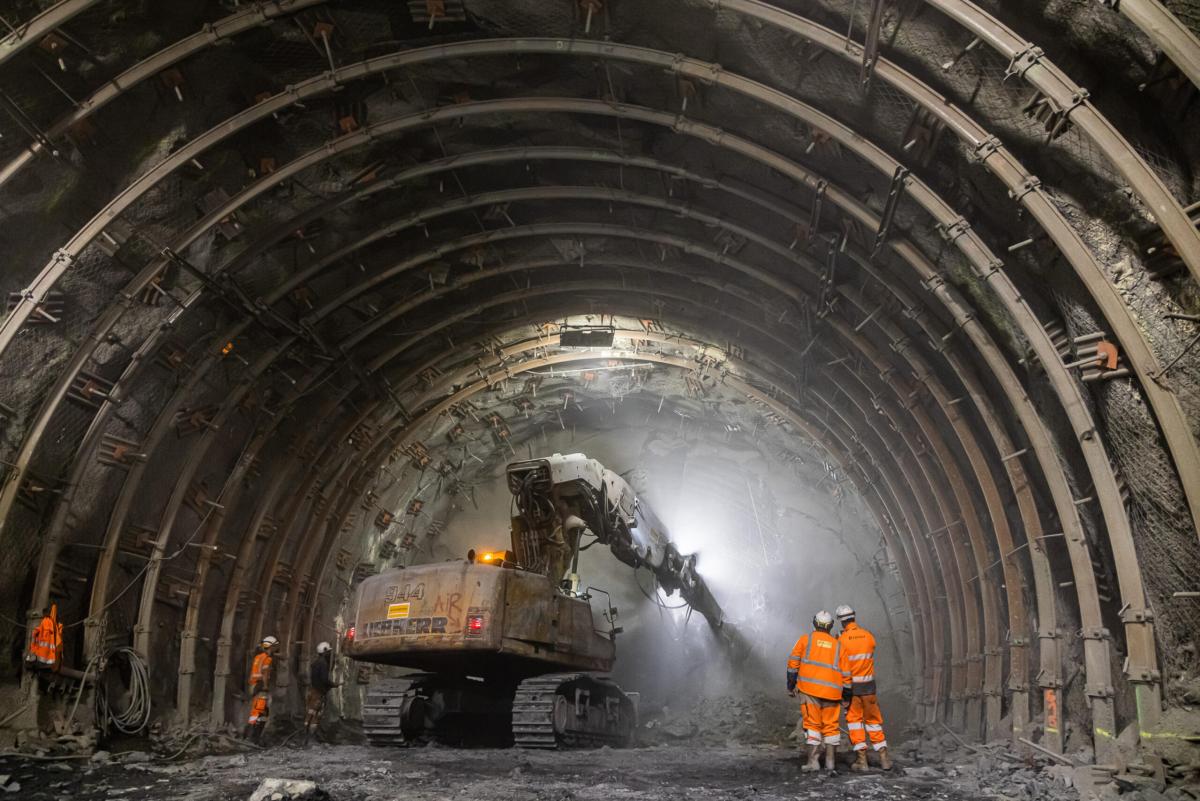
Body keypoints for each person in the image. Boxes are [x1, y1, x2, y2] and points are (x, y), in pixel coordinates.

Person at [787, 609, 849, 776]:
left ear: (814, 624)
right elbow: (847, 674)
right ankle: (830, 763)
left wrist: (790, 685)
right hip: (833, 693)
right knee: (831, 727)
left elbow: (793, 664)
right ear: (830, 626)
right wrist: (846, 696)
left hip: (810, 691)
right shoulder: (838, 646)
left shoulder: (805, 640)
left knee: (813, 726)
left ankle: (813, 762)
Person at [836, 604, 892, 771]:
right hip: (869, 688)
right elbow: (870, 650)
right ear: (854, 616)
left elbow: (840, 665)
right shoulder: (868, 636)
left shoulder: (841, 640)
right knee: (874, 721)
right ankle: (884, 758)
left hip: (852, 689)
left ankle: (862, 761)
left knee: (855, 723)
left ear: (841, 621)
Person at [304, 641, 341, 743]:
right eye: (328, 652)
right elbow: (324, 679)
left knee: (309, 713)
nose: (329, 654)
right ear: (324, 652)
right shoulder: (323, 663)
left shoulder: (315, 663)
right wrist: (333, 684)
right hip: (318, 693)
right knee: (316, 715)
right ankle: (311, 739)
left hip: (312, 691)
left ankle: (305, 737)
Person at [244, 635, 278, 742]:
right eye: (275, 646)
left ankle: (249, 736)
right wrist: (266, 686)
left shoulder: (258, 657)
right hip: (261, 687)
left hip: (254, 686)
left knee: (256, 712)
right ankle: (253, 738)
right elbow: (265, 673)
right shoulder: (267, 659)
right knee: (261, 712)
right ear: (270, 647)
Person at [25, 604, 63, 671]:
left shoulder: (47, 621)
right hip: (47, 657)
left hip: (43, 656)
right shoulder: (51, 622)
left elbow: (46, 631)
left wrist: (36, 631)